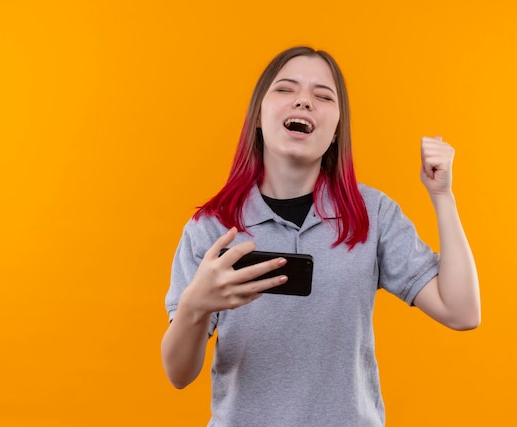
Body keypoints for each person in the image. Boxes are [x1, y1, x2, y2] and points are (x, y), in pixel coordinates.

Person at [161, 46, 480, 426]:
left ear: (335, 131)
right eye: (285, 89)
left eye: (323, 95)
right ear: (258, 118)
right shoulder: (211, 228)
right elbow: (179, 375)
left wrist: (442, 195)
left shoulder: (371, 214)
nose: (304, 101)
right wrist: (195, 306)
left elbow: (461, 312)